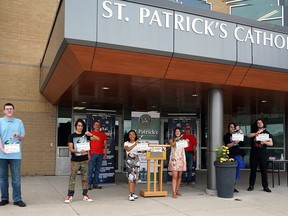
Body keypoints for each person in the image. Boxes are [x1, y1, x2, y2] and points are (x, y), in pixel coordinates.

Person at [0, 103, 26, 207]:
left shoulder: (19, 122)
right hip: (2, 155)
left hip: (15, 155)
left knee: (16, 178)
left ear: (14, 110)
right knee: (3, 178)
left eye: (11, 109)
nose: (9, 110)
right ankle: (4, 198)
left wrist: (18, 135)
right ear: (4, 111)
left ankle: (17, 199)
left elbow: (23, 138)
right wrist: (2, 150)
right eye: (7, 109)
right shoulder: (0, 121)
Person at [64, 119, 93, 203]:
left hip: (84, 160)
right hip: (75, 161)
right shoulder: (71, 136)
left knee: (85, 178)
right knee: (72, 178)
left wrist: (90, 134)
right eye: (79, 125)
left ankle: (85, 194)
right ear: (76, 126)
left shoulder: (85, 136)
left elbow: (96, 138)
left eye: (81, 126)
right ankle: (70, 195)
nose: (80, 127)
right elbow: (70, 149)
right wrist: (78, 151)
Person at [247, 118, 273, 193]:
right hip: (254, 154)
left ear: (263, 124)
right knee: (253, 171)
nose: (259, 124)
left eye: (261, 122)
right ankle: (251, 186)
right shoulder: (254, 132)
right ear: (256, 124)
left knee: (264, 171)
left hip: (263, 155)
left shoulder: (267, 133)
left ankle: (265, 187)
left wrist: (264, 142)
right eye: (258, 123)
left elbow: (271, 143)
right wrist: (257, 132)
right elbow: (248, 136)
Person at [223, 122, 245, 193]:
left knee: (238, 167)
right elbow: (227, 145)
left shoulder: (237, 135)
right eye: (231, 127)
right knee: (231, 171)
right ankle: (231, 186)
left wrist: (240, 131)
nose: (232, 128)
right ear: (228, 128)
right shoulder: (226, 136)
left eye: (233, 127)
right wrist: (234, 143)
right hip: (230, 155)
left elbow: (242, 140)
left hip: (237, 154)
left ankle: (233, 185)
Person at [88, 121, 107, 190]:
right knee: (90, 169)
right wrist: (88, 154)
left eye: (98, 125)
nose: (97, 126)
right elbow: (88, 145)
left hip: (100, 154)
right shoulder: (91, 134)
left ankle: (95, 184)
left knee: (97, 170)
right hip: (92, 154)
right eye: (96, 125)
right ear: (93, 126)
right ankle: (88, 184)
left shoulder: (103, 134)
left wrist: (105, 153)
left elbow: (105, 144)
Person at [168, 127, 186, 199]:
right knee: (174, 176)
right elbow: (172, 145)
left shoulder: (182, 140)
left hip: (181, 159)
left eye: (179, 131)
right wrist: (176, 140)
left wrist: (187, 141)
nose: (177, 132)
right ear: (174, 133)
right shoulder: (171, 140)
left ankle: (177, 190)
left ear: (180, 133)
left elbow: (186, 145)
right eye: (176, 131)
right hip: (174, 159)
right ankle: (173, 192)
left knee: (179, 176)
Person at [124, 130, 140, 201]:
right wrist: (135, 144)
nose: (132, 136)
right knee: (131, 178)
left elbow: (141, 151)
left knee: (135, 178)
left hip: (136, 161)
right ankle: (130, 194)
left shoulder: (137, 143)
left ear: (135, 135)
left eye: (133, 134)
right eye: (130, 134)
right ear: (128, 136)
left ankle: (133, 193)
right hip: (129, 161)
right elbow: (128, 149)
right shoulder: (126, 143)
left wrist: (147, 146)